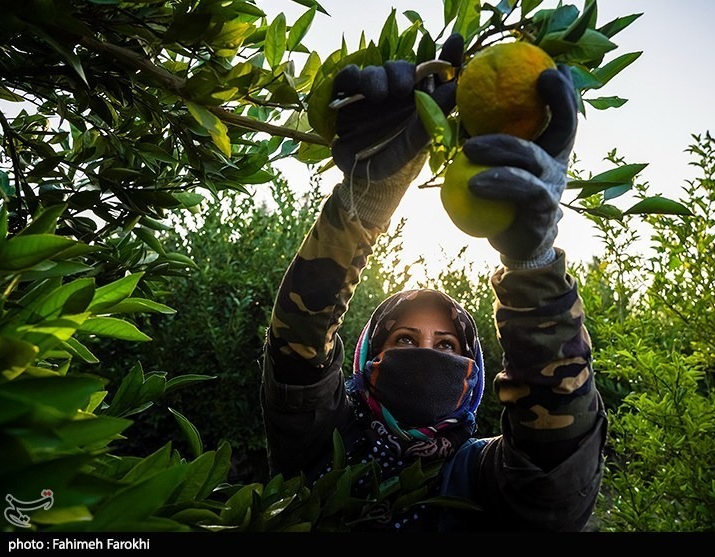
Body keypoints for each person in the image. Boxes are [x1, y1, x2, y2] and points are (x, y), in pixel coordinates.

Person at [260, 33, 607, 532]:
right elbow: (298, 345)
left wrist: (534, 269)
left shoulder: (485, 477)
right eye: (404, 339)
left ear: (473, 371)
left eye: (446, 345)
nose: (426, 354)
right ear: (366, 358)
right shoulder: (322, 440)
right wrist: (365, 199)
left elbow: (558, 469)